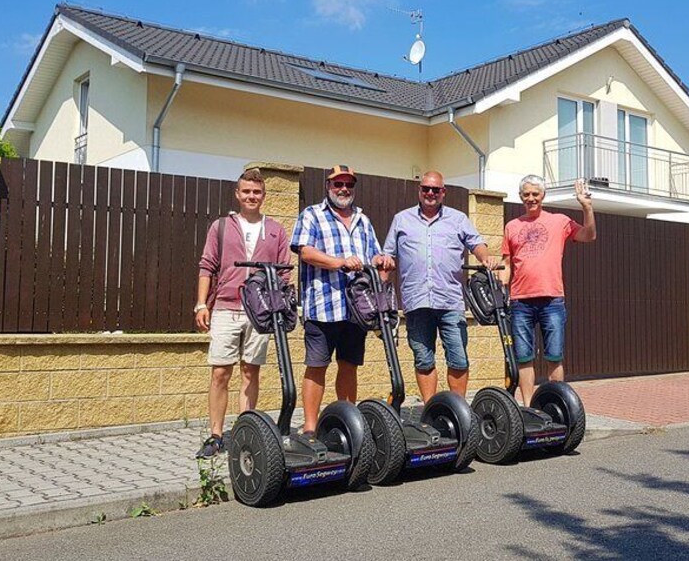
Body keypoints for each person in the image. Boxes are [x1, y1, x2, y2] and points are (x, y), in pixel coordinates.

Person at [290, 165, 395, 433]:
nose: (344, 189)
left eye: (348, 184)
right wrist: (339, 263)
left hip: (356, 309)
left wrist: (381, 260)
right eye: (338, 184)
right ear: (328, 186)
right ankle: (311, 427)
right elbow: (305, 252)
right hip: (323, 305)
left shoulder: (363, 219)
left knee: (349, 366)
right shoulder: (312, 214)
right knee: (317, 367)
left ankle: (346, 423)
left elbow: (372, 253)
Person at [194, 168, 291, 458]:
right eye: (246, 191)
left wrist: (281, 310)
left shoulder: (275, 230)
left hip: (260, 313)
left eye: (257, 192)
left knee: (251, 371)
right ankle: (215, 435)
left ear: (263, 196)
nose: (251, 196)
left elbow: (284, 275)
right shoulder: (221, 227)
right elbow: (207, 266)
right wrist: (201, 304)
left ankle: (244, 431)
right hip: (225, 307)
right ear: (238, 194)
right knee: (221, 372)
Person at [383, 170, 498, 402]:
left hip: (450, 301)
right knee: (424, 360)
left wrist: (486, 257)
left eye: (436, 189)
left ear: (443, 192)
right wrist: (380, 299)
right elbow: (388, 257)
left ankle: (458, 410)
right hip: (416, 301)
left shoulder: (458, 219)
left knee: (458, 359)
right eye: (426, 188)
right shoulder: (401, 219)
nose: (430, 193)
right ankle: (431, 409)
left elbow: (476, 243)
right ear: (420, 190)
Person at [500, 175, 595, 407]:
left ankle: (555, 405)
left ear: (543, 196)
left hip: (552, 300)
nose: (531, 198)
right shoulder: (512, 226)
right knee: (524, 358)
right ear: (520, 196)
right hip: (521, 301)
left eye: (535, 194)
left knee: (554, 357)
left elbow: (589, 235)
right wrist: (502, 292)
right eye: (526, 194)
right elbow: (507, 264)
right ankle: (529, 408)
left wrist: (587, 207)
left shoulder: (559, 221)